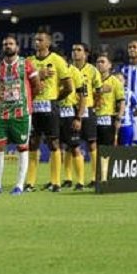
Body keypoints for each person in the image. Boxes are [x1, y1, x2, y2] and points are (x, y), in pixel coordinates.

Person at [24, 29, 72, 193]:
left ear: (48, 43)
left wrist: (55, 99)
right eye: (35, 40)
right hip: (34, 106)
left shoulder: (57, 60)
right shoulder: (28, 61)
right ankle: (30, 182)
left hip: (50, 105)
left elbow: (69, 87)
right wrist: (39, 75)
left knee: (53, 143)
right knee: (33, 143)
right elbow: (23, 83)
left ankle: (55, 182)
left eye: (40, 40)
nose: (36, 42)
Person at [0, 35, 40, 196]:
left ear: (17, 47)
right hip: (3, 113)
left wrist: (26, 100)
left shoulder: (26, 64)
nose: (8, 46)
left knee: (22, 147)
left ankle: (19, 185)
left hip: (22, 113)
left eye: (11, 44)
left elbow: (36, 86)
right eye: (5, 44)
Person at [71, 42, 102, 188]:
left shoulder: (92, 70)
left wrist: (93, 105)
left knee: (92, 143)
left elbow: (98, 91)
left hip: (88, 110)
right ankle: (80, 181)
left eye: (78, 50)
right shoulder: (68, 69)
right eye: (73, 50)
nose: (75, 52)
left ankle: (95, 178)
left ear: (86, 53)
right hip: (71, 110)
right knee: (74, 145)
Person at [58, 54, 87, 191]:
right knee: (58, 147)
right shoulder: (54, 71)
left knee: (74, 147)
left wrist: (79, 117)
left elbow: (83, 97)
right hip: (55, 113)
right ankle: (64, 180)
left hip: (70, 113)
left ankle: (80, 182)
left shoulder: (75, 72)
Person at [94, 54, 124, 148]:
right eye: (98, 62)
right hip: (93, 118)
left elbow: (121, 102)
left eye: (102, 62)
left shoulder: (115, 82)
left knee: (106, 149)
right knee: (94, 148)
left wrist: (118, 119)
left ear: (109, 65)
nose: (99, 64)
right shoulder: (91, 80)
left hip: (107, 118)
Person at [114, 72, 137, 146]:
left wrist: (130, 115)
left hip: (125, 125)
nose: (118, 82)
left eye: (120, 80)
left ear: (125, 82)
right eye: (115, 80)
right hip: (112, 125)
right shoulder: (109, 93)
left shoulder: (129, 93)